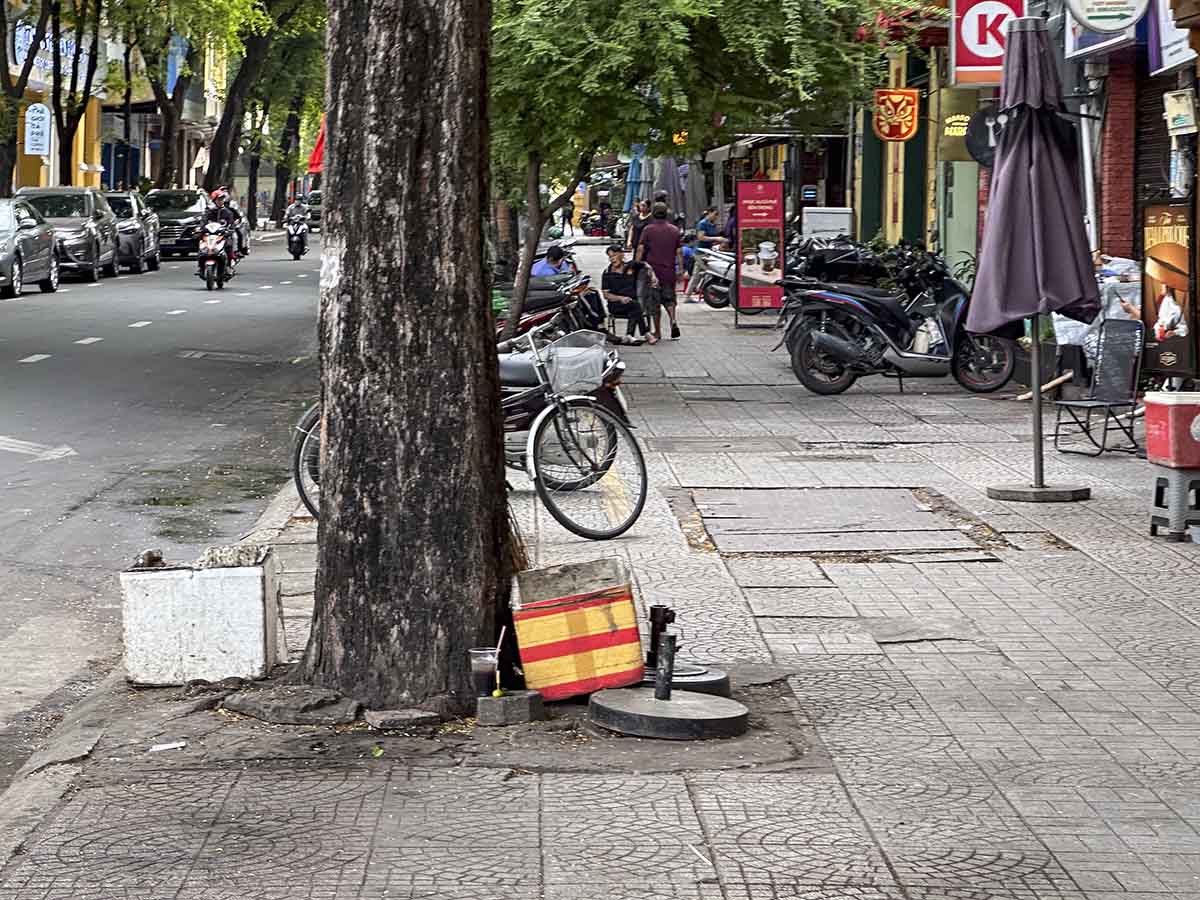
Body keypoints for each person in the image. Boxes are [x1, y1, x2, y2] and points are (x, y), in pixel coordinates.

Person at [636, 202, 683, 341]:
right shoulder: (674, 230)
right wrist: (680, 269)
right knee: (669, 298)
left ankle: (657, 332)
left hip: (653, 272)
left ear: (653, 213)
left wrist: (636, 265)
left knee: (654, 303)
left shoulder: (648, 229)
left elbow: (640, 248)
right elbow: (679, 252)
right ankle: (673, 320)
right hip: (669, 271)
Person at [601, 243, 652, 343]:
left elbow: (645, 264)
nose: (612, 259)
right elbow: (605, 295)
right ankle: (645, 333)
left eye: (614, 255)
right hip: (616, 305)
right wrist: (620, 298)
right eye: (610, 257)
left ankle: (629, 335)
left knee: (634, 306)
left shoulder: (631, 266)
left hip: (631, 303)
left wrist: (653, 276)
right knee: (636, 306)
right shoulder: (607, 273)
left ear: (622, 255)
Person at [201, 189, 240, 273]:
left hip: (222, 235)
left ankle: (229, 264)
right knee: (202, 246)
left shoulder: (227, 212)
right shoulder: (209, 212)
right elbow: (203, 222)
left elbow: (231, 223)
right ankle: (201, 267)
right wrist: (200, 229)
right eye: (219, 199)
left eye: (222, 199)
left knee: (229, 245)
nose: (220, 201)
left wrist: (230, 230)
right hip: (211, 236)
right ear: (214, 200)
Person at [680, 231, 698, 300]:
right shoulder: (688, 250)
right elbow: (695, 258)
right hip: (686, 269)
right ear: (691, 241)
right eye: (695, 241)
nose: (696, 243)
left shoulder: (684, 248)